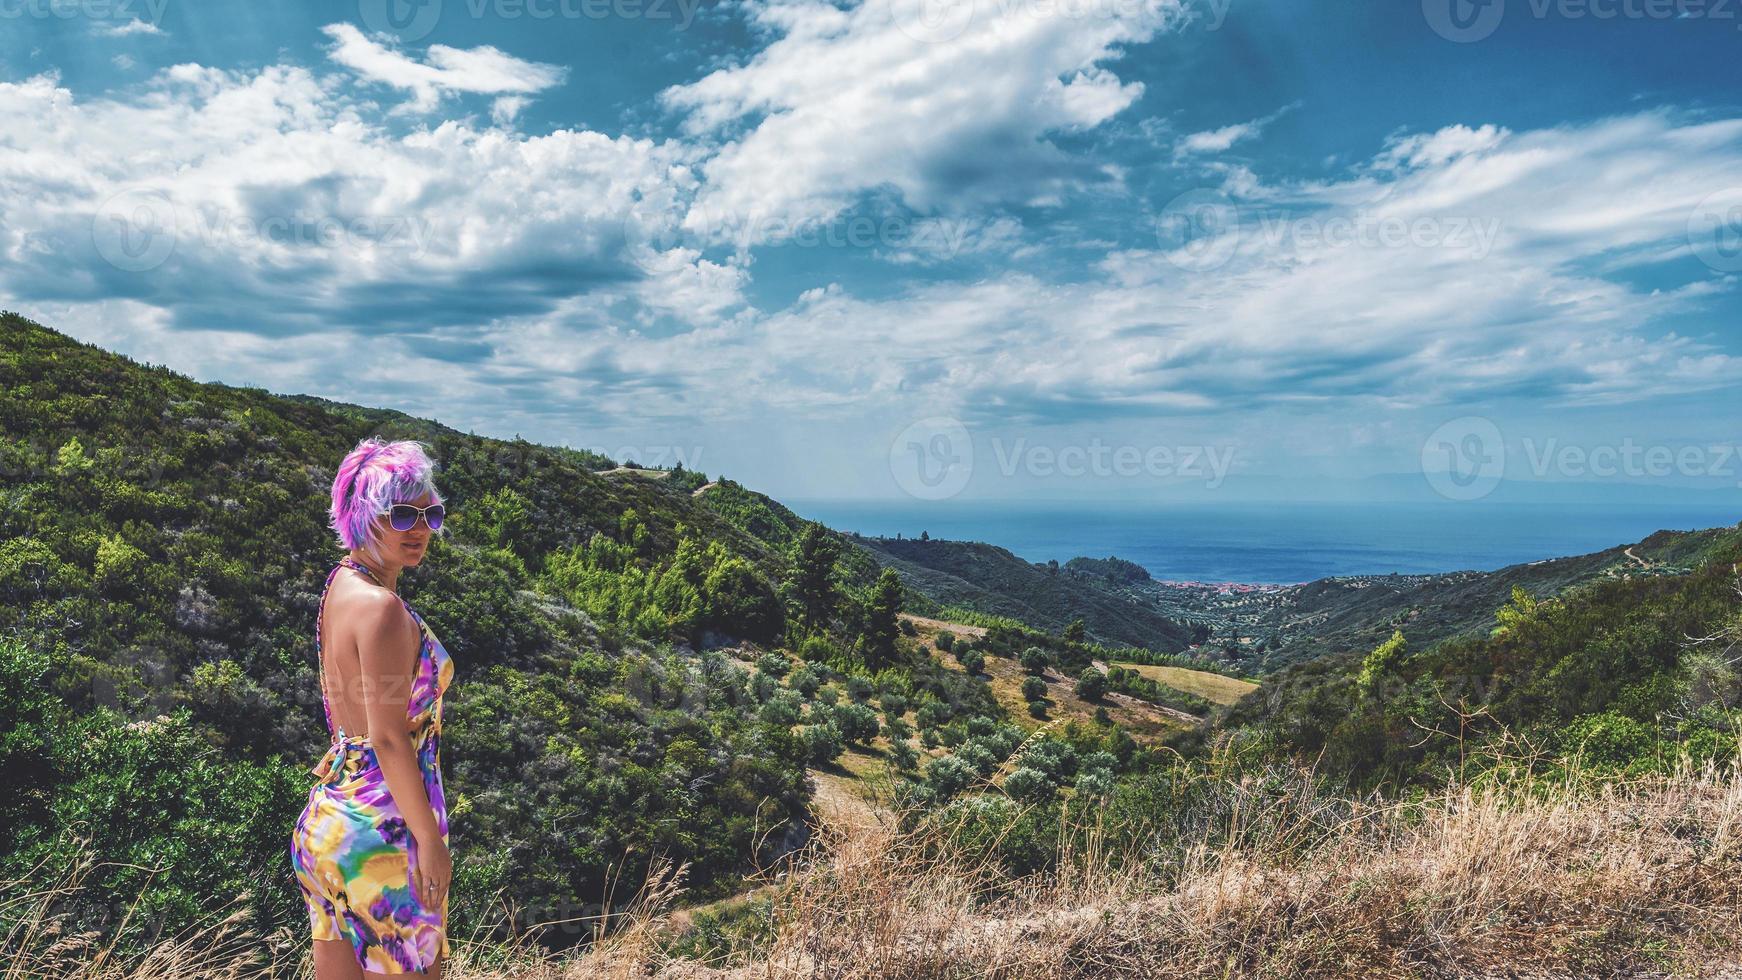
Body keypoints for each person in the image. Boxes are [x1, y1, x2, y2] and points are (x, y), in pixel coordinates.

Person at [289, 437, 456, 978]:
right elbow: (387, 737)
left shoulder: (340, 585)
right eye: (401, 514)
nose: (420, 528)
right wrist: (429, 841)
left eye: (430, 513)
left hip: (329, 828)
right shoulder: (383, 610)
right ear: (363, 516)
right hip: (383, 834)